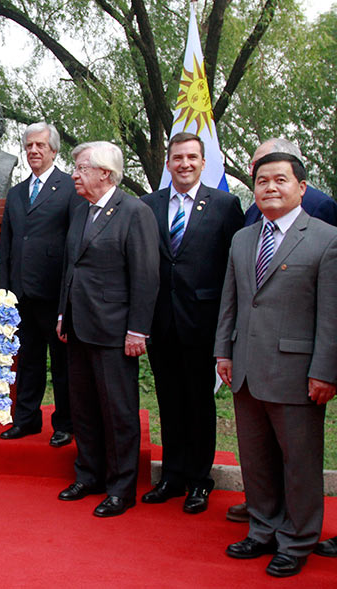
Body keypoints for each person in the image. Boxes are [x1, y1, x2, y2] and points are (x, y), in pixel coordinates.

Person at [215, 152, 337, 578]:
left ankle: (297, 540)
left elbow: (330, 315)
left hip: (297, 372)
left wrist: (325, 370)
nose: (269, 188)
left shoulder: (325, 238)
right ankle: (262, 529)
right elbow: (229, 302)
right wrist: (223, 352)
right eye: (262, 181)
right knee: (256, 459)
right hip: (245, 367)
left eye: (280, 180)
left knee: (299, 461)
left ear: (301, 187)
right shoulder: (243, 239)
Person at [140, 132, 244, 514]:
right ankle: (172, 476)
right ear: (168, 164)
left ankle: (200, 480)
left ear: (203, 163)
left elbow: (234, 268)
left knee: (199, 403)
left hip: (203, 322)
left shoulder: (225, 205)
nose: (184, 164)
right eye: (177, 158)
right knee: (169, 401)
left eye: (191, 158)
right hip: (160, 321)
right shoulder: (148, 205)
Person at [55, 141, 159, 517]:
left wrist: (138, 330)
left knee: (118, 411)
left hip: (115, 329)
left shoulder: (134, 211)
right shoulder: (81, 211)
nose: (74, 174)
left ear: (105, 173)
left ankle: (121, 487)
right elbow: (72, 267)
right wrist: (63, 313)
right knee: (83, 406)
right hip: (79, 325)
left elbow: (146, 276)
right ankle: (89, 474)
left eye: (81, 168)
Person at [0, 122, 82, 446]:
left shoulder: (70, 187)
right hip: (21, 293)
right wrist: (3, 293)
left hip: (54, 293)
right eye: (29, 145)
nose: (33, 151)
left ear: (54, 151)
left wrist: (68, 295)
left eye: (40, 146)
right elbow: (8, 244)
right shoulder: (17, 192)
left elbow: (75, 244)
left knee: (61, 364)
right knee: (28, 360)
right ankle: (26, 419)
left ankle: (65, 423)